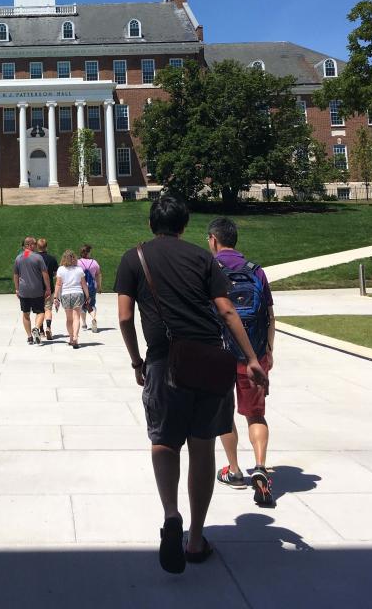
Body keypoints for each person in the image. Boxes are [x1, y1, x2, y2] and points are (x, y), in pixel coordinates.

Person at [115, 195, 268, 573]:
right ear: (184, 225)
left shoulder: (134, 258)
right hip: (208, 361)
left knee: (164, 442)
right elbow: (227, 310)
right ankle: (196, 540)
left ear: (152, 224)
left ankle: (171, 515)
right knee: (202, 448)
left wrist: (137, 359)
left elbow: (123, 317)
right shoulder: (204, 259)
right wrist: (250, 358)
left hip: (164, 360)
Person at [207, 217, 275, 506]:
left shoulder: (210, 270)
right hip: (254, 356)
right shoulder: (256, 272)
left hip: (222, 354)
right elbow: (270, 316)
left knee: (224, 415)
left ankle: (234, 470)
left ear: (213, 239)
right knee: (255, 414)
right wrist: (266, 352)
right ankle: (260, 466)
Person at [13, 237, 51, 345]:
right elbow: (45, 274)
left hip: (23, 290)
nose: (35, 245)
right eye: (34, 243)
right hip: (37, 290)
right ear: (28, 245)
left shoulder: (19, 258)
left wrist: (17, 289)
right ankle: (36, 328)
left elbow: (16, 275)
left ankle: (29, 337)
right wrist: (48, 288)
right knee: (40, 312)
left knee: (26, 314)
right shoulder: (38, 258)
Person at [53, 250, 90, 348]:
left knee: (69, 319)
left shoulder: (61, 269)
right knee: (76, 317)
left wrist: (56, 297)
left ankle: (70, 338)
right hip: (77, 293)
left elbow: (58, 284)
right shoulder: (79, 269)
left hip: (65, 294)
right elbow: (84, 284)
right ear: (74, 258)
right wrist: (87, 295)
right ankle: (75, 338)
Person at [35, 237, 58, 340]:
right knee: (48, 309)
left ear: (37, 247)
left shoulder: (33, 258)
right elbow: (55, 273)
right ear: (46, 247)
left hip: (36, 288)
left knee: (39, 311)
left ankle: (41, 331)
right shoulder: (52, 258)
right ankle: (48, 327)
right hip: (49, 288)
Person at [78, 244, 102, 333]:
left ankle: (84, 324)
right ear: (88, 253)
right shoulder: (94, 262)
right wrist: (99, 286)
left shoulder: (78, 262)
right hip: (92, 287)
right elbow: (98, 275)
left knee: (82, 306)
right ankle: (94, 318)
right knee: (92, 304)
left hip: (81, 287)